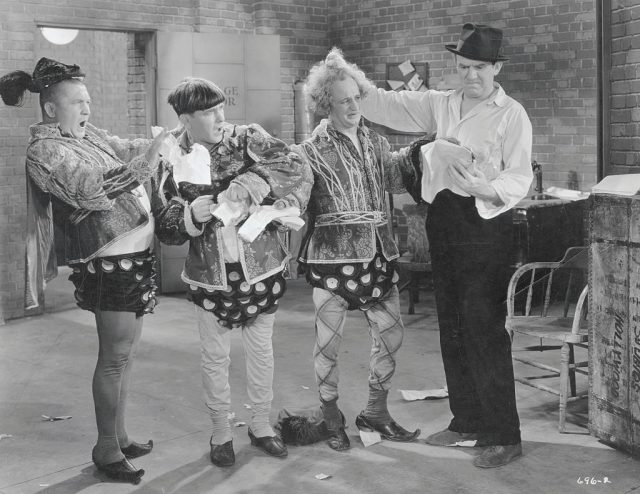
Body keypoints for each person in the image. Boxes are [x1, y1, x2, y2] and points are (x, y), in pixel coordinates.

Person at [360, 23, 533, 468]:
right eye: (462, 68)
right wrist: (347, 79)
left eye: (478, 68)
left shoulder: (511, 113)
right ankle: (467, 420)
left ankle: (503, 434)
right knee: (452, 324)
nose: (469, 76)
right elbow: (388, 104)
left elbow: (519, 176)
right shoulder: (442, 103)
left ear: (496, 67)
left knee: (483, 328)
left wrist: (485, 187)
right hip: (444, 222)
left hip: (486, 225)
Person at [0, 58, 170, 484]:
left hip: (135, 257)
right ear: (52, 109)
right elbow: (91, 192)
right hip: (106, 265)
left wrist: (162, 140)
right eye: (79, 102)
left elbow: (120, 148)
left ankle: (120, 435)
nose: (88, 109)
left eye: (89, 101)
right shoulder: (46, 151)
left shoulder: (86, 135)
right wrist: (150, 160)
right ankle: (105, 448)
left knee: (126, 357)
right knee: (113, 358)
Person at [153, 77, 311, 467]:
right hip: (209, 274)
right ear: (186, 119)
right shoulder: (170, 154)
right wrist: (190, 214)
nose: (220, 117)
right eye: (208, 112)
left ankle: (261, 426)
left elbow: (293, 163)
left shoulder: (246, 138)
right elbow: (165, 224)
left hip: (260, 268)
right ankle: (221, 432)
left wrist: (249, 182)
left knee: (261, 353)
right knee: (214, 358)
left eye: (220, 107)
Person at [294, 48, 421, 452]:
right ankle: (331, 417)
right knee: (327, 348)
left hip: (379, 256)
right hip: (331, 260)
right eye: (344, 100)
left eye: (357, 98)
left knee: (391, 338)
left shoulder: (376, 142)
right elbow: (297, 195)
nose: (353, 106)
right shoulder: (309, 151)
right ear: (325, 104)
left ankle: (376, 412)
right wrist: (281, 203)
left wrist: (424, 151)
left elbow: (397, 181)